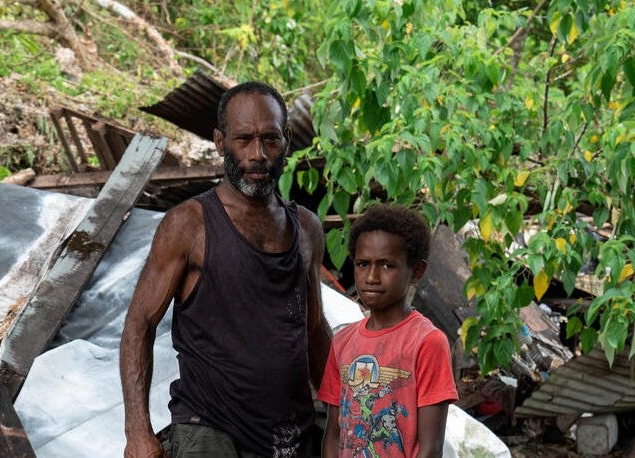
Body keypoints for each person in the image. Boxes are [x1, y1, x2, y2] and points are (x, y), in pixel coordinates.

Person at [120, 81, 331, 458]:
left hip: (290, 434)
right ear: (220, 142)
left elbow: (314, 328)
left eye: (270, 139)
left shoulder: (306, 228)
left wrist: (342, 412)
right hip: (211, 433)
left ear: (285, 141)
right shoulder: (188, 225)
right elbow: (139, 324)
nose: (258, 154)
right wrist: (137, 432)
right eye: (243, 139)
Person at [319, 204, 456, 458]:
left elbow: (430, 448)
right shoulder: (342, 342)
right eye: (362, 264)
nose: (371, 277)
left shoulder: (427, 342)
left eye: (386, 265)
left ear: (416, 271)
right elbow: (334, 433)